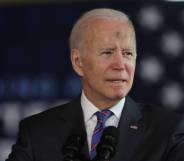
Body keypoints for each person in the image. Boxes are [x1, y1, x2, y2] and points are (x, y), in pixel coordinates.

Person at [6, 8, 184, 161]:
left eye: (128, 53)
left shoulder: (167, 131)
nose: (120, 64)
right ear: (78, 62)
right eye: (107, 52)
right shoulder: (37, 133)